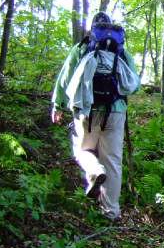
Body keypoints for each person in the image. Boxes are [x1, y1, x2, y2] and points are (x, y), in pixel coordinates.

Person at [51, 12, 140, 220]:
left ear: (93, 29)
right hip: (115, 111)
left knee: (82, 150)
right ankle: (111, 212)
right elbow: (134, 85)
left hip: (87, 108)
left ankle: (94, 170)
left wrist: (57, 104)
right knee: (113, 161)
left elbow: (65, 78)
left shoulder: (82, 48)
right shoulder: (121, 52)